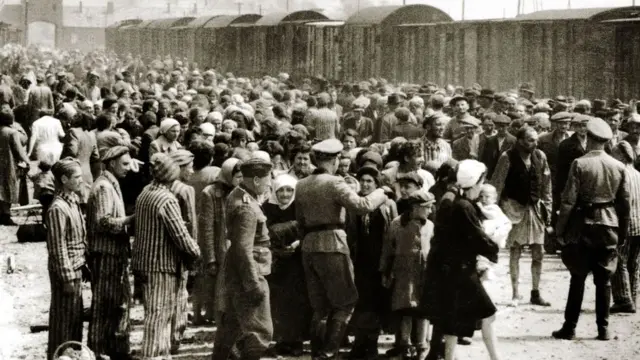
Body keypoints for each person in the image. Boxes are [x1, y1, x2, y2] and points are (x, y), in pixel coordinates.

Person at [295, 138, 388, 359]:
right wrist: (381, 192)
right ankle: (328, 353)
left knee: (320, 305)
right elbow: (362, 206)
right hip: (333, 244)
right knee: (345, 301)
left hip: (309, 245)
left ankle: (318, 351)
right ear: (335, 159)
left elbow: (299, 221)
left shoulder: (301, 184)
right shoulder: (335, 183)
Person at [553, 117, 631, 341]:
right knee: (604, 280)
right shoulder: (618, 166)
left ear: (589, 139)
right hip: (609, 225)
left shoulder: (579, 163)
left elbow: (568, 201)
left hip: (582, 225)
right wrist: (622, 233)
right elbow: (624, 204)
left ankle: (569, 327)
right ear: (605, 141)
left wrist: (560, 229)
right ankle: (603, 328)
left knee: (577, 277)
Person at [421, 159, 501, 360]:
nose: (482, 186)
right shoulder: (465, 207)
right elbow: (477, 237)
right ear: (474, 182)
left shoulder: (454, 201)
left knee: (452, 320)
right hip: (462, 271)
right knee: (487, 314)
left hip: (449, 270)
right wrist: (494, 248)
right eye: (481, 182)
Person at [132, 153, 201, 359]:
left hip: (144, 262)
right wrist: (195, 251)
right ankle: (153, 355)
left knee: (153, 313)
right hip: (161, 265)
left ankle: (159, 354)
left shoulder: (145, 192)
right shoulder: (166, 199)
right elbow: (180, 234)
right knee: (159, 316)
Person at [212, 157, 274, 360]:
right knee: (260, 331)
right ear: (256, 180)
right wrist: (253, 284)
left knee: (232, 326)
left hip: (238, 270)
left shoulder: (239, 195)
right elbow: (243, 250)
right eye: (267, 179)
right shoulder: (247, 207)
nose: (270, 183)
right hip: (249, 271)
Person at [491, 126, 553, 307]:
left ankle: (535, 292)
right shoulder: (507, 158)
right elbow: (497, 184)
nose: (534, 144)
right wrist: (498, 212)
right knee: (515, 251)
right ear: (519, 140)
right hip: (514, 209)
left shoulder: (540, 156)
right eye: (530, 140)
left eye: (536, 140)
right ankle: (515, 294)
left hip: (534, 209)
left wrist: (547, 209)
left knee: (538, 252)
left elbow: (547, 185)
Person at [86, 145, 134, 360]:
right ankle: (97, 351)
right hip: (105, 254)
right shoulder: (104, 187)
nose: (128, 168)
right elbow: (104, 221)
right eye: (124, 164)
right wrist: (130, 220)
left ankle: (113, 349)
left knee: (117, 303)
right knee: (104, 306)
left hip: (114, 254)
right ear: (112, 163)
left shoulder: (111, 183)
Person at [346, 165, 397, 359]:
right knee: (361, 303)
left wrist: (389, 263)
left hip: (379, 260)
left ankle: (372, 345)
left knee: (377, 302)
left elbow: (392, 232)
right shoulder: (355, 203)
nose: (366, 184)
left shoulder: (387, 204)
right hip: (361, 260)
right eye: (363, 181)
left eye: (370, 181)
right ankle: (359, 344)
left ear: (377, 185)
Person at [380, 190, 434, 360]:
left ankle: (422, 344)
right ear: (415, 207)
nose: (430, 211)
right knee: (405, 309)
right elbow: (387, 249)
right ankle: (405, 344)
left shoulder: (430, 225)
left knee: (423, 310)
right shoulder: (397, 224)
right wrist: (384, 271)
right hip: (404, 274)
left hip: (423, 274)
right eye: (427, 207)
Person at [46, 158, 89, 360]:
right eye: (77, 177)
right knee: (63, 323)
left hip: (76, 268)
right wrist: (67, 278)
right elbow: (58, 248)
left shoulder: (72, 201)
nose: (81, 181)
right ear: (64, 179)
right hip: (67, 273)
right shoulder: (57, 208)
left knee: (74, 320)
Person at [264, 174, 311, 357]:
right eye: (281, 190)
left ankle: (297, 340)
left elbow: (307, 229)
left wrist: (297, 243)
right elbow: (262, 232)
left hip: (297, 261)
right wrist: (276, 249)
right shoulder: (267, 208)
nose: (284, 194)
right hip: (276, 262)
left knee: (297, 301)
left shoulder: (300, 207)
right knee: (278, 301)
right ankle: (281, 340)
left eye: (289, 190)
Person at [198, 158, 244, 325]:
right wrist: (210, 257)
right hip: (221, 249)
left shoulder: (243, 193)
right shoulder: (210, 193)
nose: (241, 180)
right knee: (220, 290)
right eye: (238, 176)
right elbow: (207, 228)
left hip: (238, 247)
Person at [168, 149, 197, 354]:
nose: (192, 171)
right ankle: (176, 337)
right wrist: (193, 251)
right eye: (189, 167)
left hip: (166, 248)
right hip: (183, 247)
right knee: (180, 293)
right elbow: (191, 224)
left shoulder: (162, 187)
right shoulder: (185, 190)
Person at [610, 141, 640, 313]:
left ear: (621, 156)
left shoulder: (621, 175)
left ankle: (623, 299)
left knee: (619, 261)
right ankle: (633, 298)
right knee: (634, 263)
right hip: (639, 225)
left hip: (625, 225)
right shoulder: (638, 175)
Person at [0, 111, 30, 225]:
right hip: (8, 165)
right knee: (7, 187)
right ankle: (6, 215)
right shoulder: (12, 132)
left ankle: (2, 213)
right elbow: (19, 150)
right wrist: (27, 162)